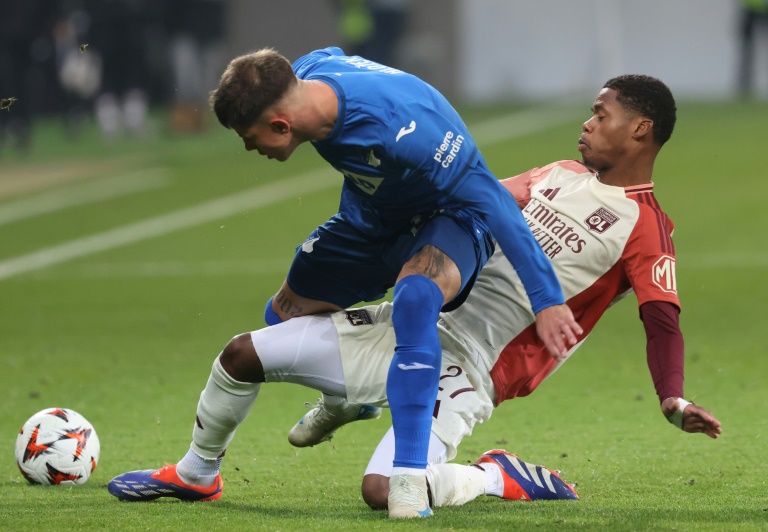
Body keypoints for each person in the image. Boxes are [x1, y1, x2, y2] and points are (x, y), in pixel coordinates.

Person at [107, 74, 722, 517]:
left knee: (383, 492)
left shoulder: (647, 228)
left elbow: (662, 321)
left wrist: (673, 399)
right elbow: (480, 199)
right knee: (242, 353)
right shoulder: (556, 174)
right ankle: (196, 475)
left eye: (601, 113)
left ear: (640, 128)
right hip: (406, 323)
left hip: (472, 367)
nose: (588, 123)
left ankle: (495, 477)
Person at [206, 46, 581, 517]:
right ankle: (346, 400)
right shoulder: (308, 73)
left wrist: (546, 299)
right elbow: (337, 54)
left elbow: (495, 202)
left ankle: (407, 481)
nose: (248, 147)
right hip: (373, 220)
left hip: (451, 218)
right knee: (283, 317)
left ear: (281, 124)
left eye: (249, 136)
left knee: (415, 297)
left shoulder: (407, 133)